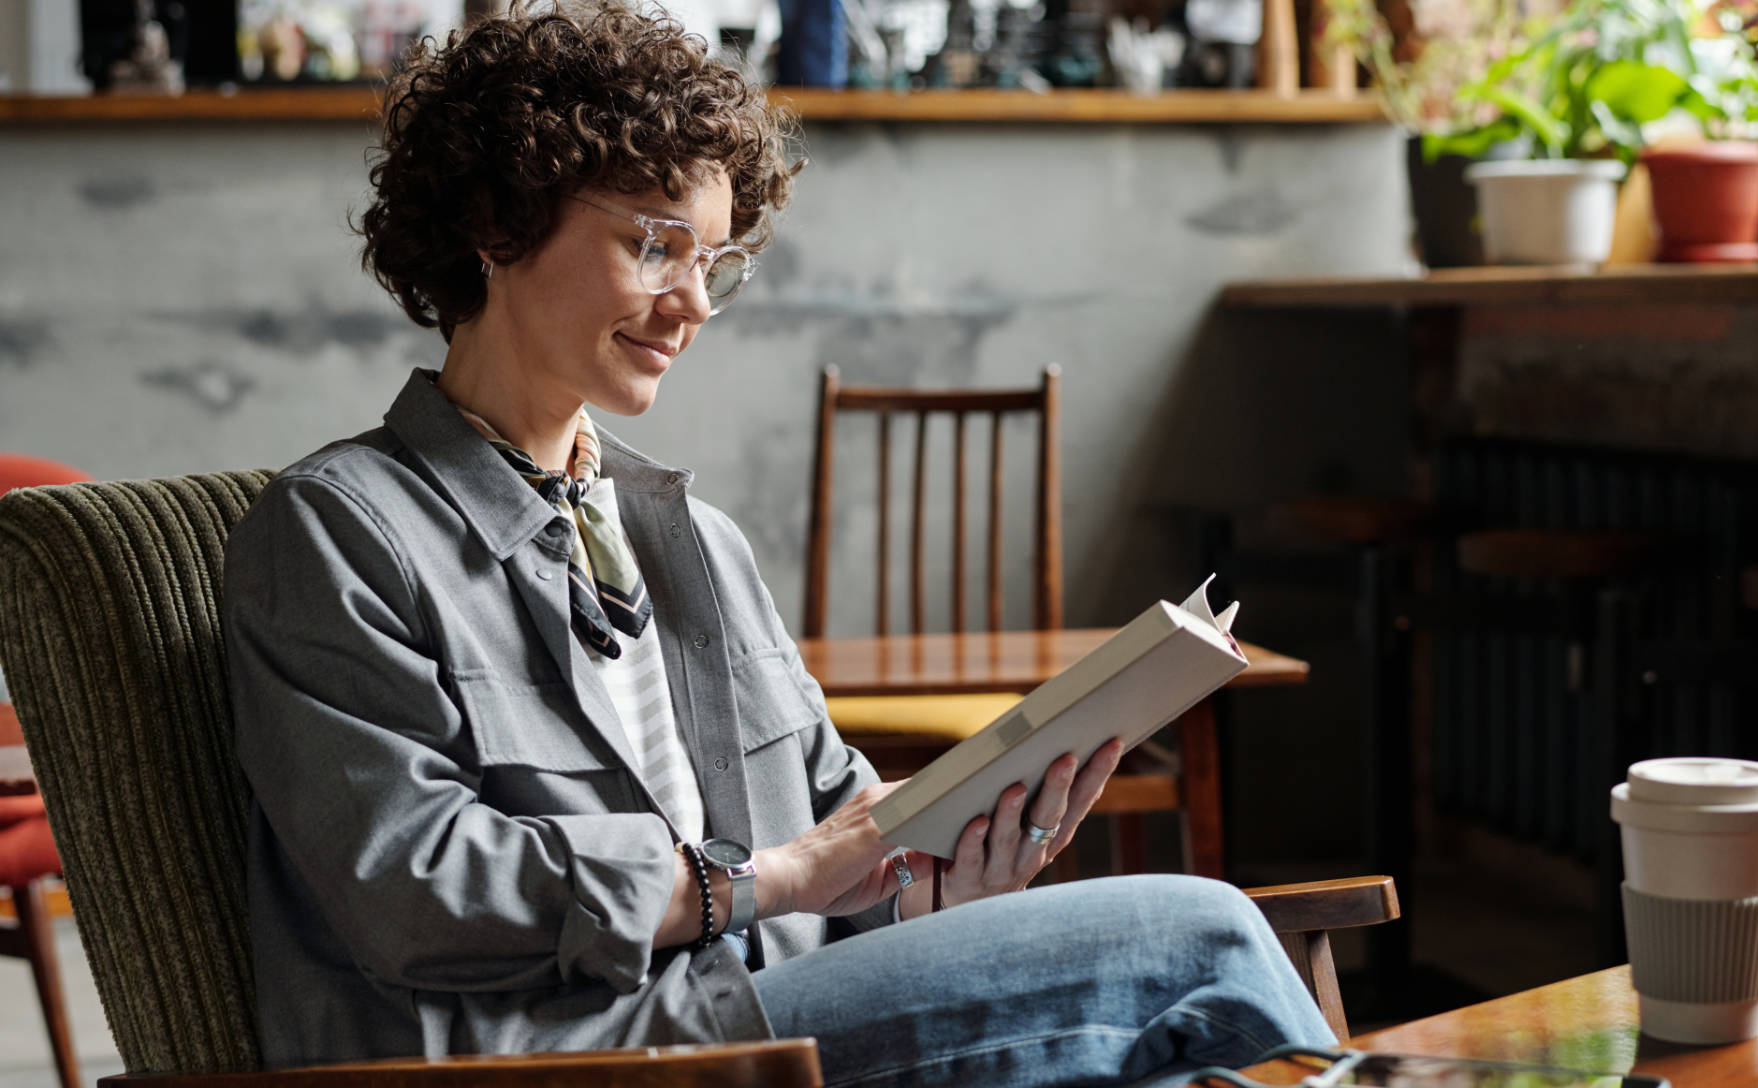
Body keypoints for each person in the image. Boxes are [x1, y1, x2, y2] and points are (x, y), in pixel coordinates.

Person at [220, 3, 1334, 1085]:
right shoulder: (339, 531)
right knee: (1203, 942)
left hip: (767, 1009)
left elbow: (842, 835)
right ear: (497, 224)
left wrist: (932, 883)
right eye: (656, 247)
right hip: (571, 1056)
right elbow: (415, 885)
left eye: (714, 261)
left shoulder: (695, 541)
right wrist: (769, 879)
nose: (693, 303)